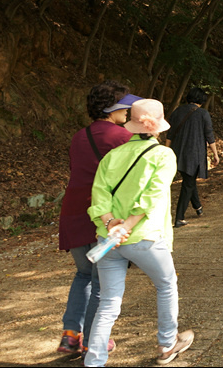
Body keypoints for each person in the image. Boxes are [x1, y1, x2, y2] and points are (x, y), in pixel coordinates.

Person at [85, 99, 194, 367]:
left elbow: (98, 194)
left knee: (108, 303)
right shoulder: (163, 155)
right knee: (166, 285)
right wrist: (128, 225)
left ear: (132, 125)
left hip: (110, 240)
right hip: (145, 236)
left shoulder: (112, 156)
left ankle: (94, 360)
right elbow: (152, 197)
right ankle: (168, 345)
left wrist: (112, 224)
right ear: (158, 127)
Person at [57, 82, 139, 356]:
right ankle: (95, 340)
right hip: (102, 214)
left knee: (84, 274)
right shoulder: (124, 137)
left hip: (73, 210)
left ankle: (70, 335)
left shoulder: (79, 136)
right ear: (111, 108)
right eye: (124, 104)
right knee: (103, 281)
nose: (128, 109)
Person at [165, 87, 220, 228]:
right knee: (188, 183)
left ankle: (198, 207)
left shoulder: (177, 111)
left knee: (189, 180)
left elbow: (170, 134)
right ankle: (179, 218)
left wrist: (166, 152)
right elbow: (209, 135)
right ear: (202, 100)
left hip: (176, 153)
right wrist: (215, 154)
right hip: (193, 154)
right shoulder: (203, 113)